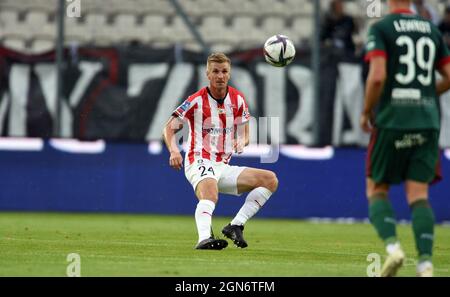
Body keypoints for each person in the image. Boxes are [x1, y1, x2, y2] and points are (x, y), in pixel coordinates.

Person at [361, 0, 450, 277]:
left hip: (392, 120)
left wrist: (366, 111)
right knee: (419, 195)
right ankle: (425, 264)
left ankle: (393, 248)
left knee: (377, 189)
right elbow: (448, 75)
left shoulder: (382, 27)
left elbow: (377, 77)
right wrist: (426, 94)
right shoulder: (430, 30)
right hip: (427, 122)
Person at [163, 53, 278, 250]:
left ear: (229, 74)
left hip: (222, 166)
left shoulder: (238, 99)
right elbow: (169, 127)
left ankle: (236, 225)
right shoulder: (196, 100)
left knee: (270, 180)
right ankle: (204, 238)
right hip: (198, 160)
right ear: (207, 74)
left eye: (224, 71)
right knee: (210, 192)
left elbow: (245, 131)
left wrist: (241, 141)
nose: (220, 76)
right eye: (215, 71)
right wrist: (174, 150)